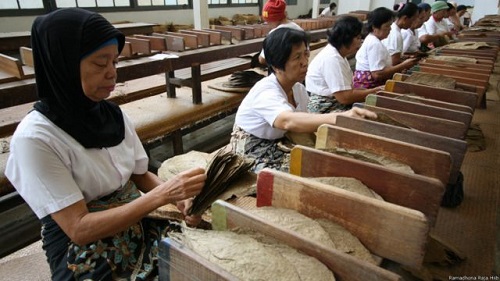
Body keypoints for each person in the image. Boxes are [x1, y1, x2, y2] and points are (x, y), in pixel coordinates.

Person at [5, 8, 206, 280]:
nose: (112, 74)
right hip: (83, 244)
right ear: (63, 63)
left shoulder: (111, 114)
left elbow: (140, 176)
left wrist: (179, 199)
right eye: (101, 64)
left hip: (135, 215)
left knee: (200, 254)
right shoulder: (36, 138)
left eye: (115, 62)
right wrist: (162, 196)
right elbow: (79, 228)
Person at [231, 28, 377, 173]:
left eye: (306, 55)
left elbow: (302, 122)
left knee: (327, 158)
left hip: (279, 138)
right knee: (302, 170)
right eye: (297, 57)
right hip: (252, 145)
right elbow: (287, 121)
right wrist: (341, 117)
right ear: (276, 66)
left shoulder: (298, 89)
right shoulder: (265, 91)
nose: (305, 62)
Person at [306, 16, 382, 113]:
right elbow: (344, 98)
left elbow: (348, 90)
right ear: (346, 38)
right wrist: (373, 92)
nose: (360, 41)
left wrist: (372, 91)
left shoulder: (340, 55)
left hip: (335, 102)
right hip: (324, 107)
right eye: (358, 38)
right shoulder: (332, 58)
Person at [353, 7, 418, 89]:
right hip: (370, 86)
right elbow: (377, 74)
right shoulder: (374, 43)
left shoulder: (373, 39)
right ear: (374, 27)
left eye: (390, 25)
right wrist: (403, 65)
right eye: (387, 26)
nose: (390, 29)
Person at [259, 0, 303, 65]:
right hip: (298, 69)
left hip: (281, 73)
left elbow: (262, 59)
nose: (268, 23)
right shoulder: (299, 29)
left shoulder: (274, 34)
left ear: (274, 19)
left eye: (268, 21)